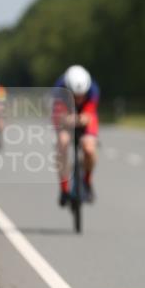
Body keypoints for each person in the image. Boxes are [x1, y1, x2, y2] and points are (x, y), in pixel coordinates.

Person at [52, 65, 99, 206]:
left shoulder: (93, 89)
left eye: (82, 95)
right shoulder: (59, 90)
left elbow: (90, 113)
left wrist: (84, 118)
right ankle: (64, 189)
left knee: (89, 149)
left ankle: (87, 181)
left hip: (85, 114)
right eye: (75, 95)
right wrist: (66, 119)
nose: (79, 99)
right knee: (63, 142)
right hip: (65, 112)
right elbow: (59, 116)